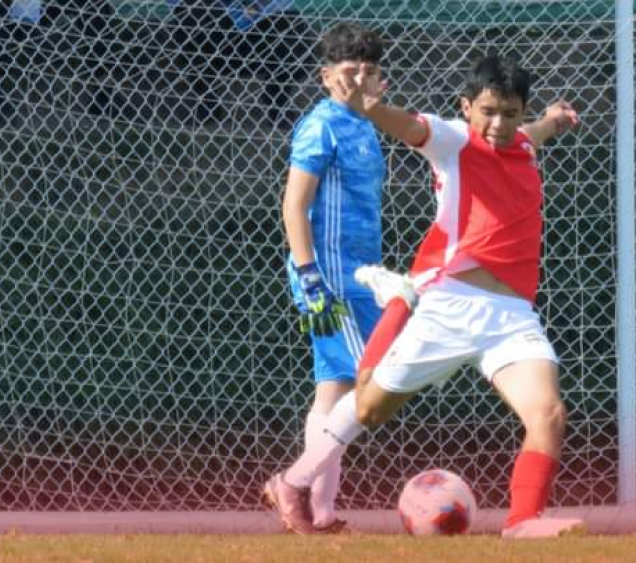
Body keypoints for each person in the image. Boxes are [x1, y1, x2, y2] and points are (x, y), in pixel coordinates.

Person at [264, 54, 583, 539]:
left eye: (509, 113)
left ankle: (523, 522)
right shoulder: (453, 139)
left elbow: (528, 136)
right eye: (488, 111)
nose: (497, 124)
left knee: (549, 413)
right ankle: (292, 481)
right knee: (368, 408)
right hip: (447, 305)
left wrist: (553, 123)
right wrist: (372, 108)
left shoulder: (520, 141)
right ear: (468, 107)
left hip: (512, 317)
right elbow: (410, 127)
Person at [266, 22, 387, 534]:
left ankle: (319, 510)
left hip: (361, 276)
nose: (359, 78)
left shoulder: (367, 124)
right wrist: (310, 274)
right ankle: (291, 483)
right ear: (326, 76)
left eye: (369, 69)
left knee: (333, 393)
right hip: (330, 279)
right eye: (348, 69)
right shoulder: (321, 126)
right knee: (376, 386)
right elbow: (295, 205)